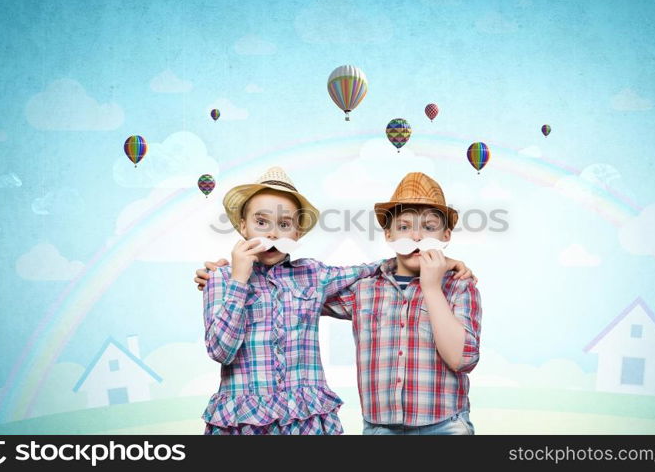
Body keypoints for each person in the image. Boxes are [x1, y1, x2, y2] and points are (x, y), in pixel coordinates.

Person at [201, 166, 473, 435]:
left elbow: (364, 268)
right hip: (243, 419)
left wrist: (438, 266)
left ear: (297, 233)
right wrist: (237, 280)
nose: (272, 234)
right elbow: (220, 352)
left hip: (306, 419)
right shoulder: (222, 279)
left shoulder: (312, 276)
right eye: (262, 222)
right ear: (242, 226)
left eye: (284, 224)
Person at [322, 172, 482, 435]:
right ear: (389, 235)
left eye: (429, 227)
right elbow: (300, 293)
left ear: (445, 236)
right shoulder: (364, 288)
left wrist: (431, 287)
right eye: (404, 227)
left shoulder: (460, 285)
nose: (416, 236)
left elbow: (462, 360)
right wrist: (233, 273)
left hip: (446, 425)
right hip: (380, 428)